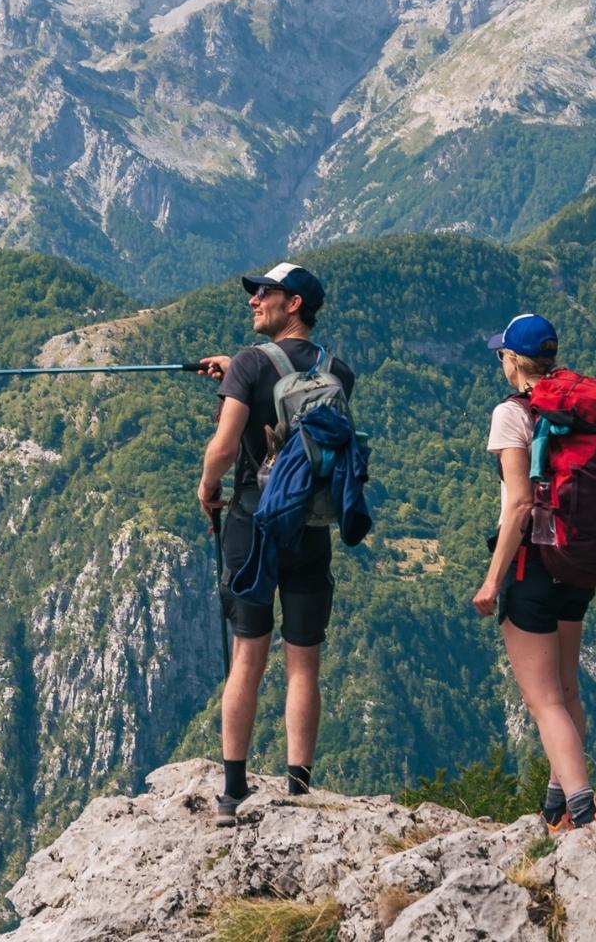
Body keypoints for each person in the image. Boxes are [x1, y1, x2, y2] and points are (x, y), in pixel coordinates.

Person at [197, 261, 355, 826]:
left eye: (264, 293)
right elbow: (291, 397)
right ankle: (298, 789)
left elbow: (224, 444)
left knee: (247, 657)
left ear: (293, 304)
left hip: (252, 523)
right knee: (303, 662)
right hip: (311, 528)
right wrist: (235, 373)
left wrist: (207, 486)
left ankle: (233, 792)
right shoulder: (339, 370)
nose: (253, 300)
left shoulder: (248, 365)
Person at [472, 313, 596, 832]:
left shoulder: (512, 414)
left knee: (544, 701)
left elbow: (520, 504)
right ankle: (557, 810)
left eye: (502, 354)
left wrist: (492, 580)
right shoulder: (578, 408)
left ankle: (586, 817)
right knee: (567, 692)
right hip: (578, 563)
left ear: (513, 360)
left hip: (533, 566)